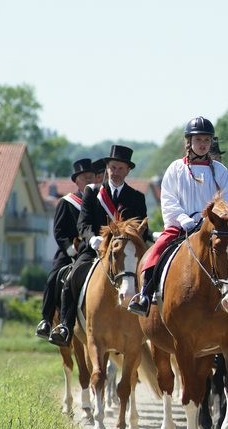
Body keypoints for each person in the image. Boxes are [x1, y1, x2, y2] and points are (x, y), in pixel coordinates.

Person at [127, 117, 228, 316]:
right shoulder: (176, 168)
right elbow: (168, 198)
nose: (203, 145)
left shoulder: (220, 171)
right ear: (189, 142)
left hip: (212, 226)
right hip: (181, 225)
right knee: (157, 250)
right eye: (199, 140)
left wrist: (213, 219)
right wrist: (183, 219)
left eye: (206, 140)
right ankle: (145, 294)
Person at [50, 145, 148, 346]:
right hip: (95, 249)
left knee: (149, 275)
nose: (116, 172)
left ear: (128, 171)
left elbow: (142, 227)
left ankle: (149, 320)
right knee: (71, 277)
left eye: (121, 168)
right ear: (107, 168)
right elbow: (83, 223)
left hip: (126, 252)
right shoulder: (92, 192)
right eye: (113, 167)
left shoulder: (137, 197)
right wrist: (91, 238)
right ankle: (66, 326)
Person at [35, 158, 95, 339]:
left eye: (92, 177)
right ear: (76, 181)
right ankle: (46, 319)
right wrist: (71, 249)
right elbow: (59, 231)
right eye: (85, 178)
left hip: (92, 249)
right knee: (54, 276)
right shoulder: (67, 202)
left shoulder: (98, 202)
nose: (89, 181)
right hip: (70, 250)